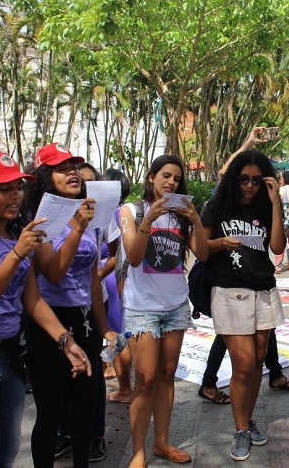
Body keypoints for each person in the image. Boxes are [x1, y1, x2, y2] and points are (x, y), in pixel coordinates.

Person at [0, 153, 91, 468]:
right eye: (4, 188)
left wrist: (66, 341)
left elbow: (32, 299)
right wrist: (17, 254)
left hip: (11, 353)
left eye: (19, 188)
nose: (15, 196)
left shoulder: (17, 230)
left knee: (6, 453)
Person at [22, 143, 117, 468]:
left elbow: (93, 280)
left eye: (75, 167)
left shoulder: (88, 215)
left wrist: (104, 328)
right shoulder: (39, 220)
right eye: (62, 169)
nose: (73, 173)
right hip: (49, 322)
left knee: (86, 404)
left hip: (85, 320)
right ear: (45, 177)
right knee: (51, 411)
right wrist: (77, 228)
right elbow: (53, 272)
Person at [118, 155, 208, 468]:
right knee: (145, 378)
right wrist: (149, 219)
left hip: (175, 305)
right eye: (165, 176)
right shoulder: (130, 211)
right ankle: (138, 451)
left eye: (176, 179)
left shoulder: (182, 216)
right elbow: (133, 258)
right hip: (142, 308)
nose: (171, 182)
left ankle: (162, 441)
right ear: (151, 177)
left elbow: (203, 253)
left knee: (168, 374)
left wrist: (195, 219)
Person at [202, 149, 287, 461]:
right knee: (244, 363)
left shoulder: (266, 205)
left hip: (263, 289)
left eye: (256, 180)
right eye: (244, 179)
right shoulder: (217, 206)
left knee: (258, 360)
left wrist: (275, 203)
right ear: (234, 179)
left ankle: (246, 421)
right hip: (228, 290)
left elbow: (277, 246)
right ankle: (240, 430)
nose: (250, 186)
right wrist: (223, 242)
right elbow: (201, 248)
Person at [101, 167, 133, 403]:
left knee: (117, 335)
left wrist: (99, 274)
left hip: (109, 276)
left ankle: (124, 389)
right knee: (121, 331)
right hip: (123, 275)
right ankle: (115, 372)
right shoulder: (127, 212)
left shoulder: (104, 214)